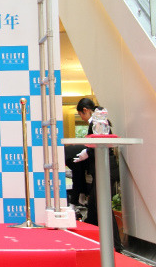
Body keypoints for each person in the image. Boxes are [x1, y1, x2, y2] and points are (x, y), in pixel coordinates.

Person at [74, 97, 123, 252]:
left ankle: (115, 244)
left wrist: (86, 152)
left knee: (101, 205)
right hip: (102, 168)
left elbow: (100, 143)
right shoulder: (100, 122)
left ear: (86, 111)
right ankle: (98, 241)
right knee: (95, 205)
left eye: (81, 114)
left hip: (105, 168)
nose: (81, 118)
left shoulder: (96, 123)